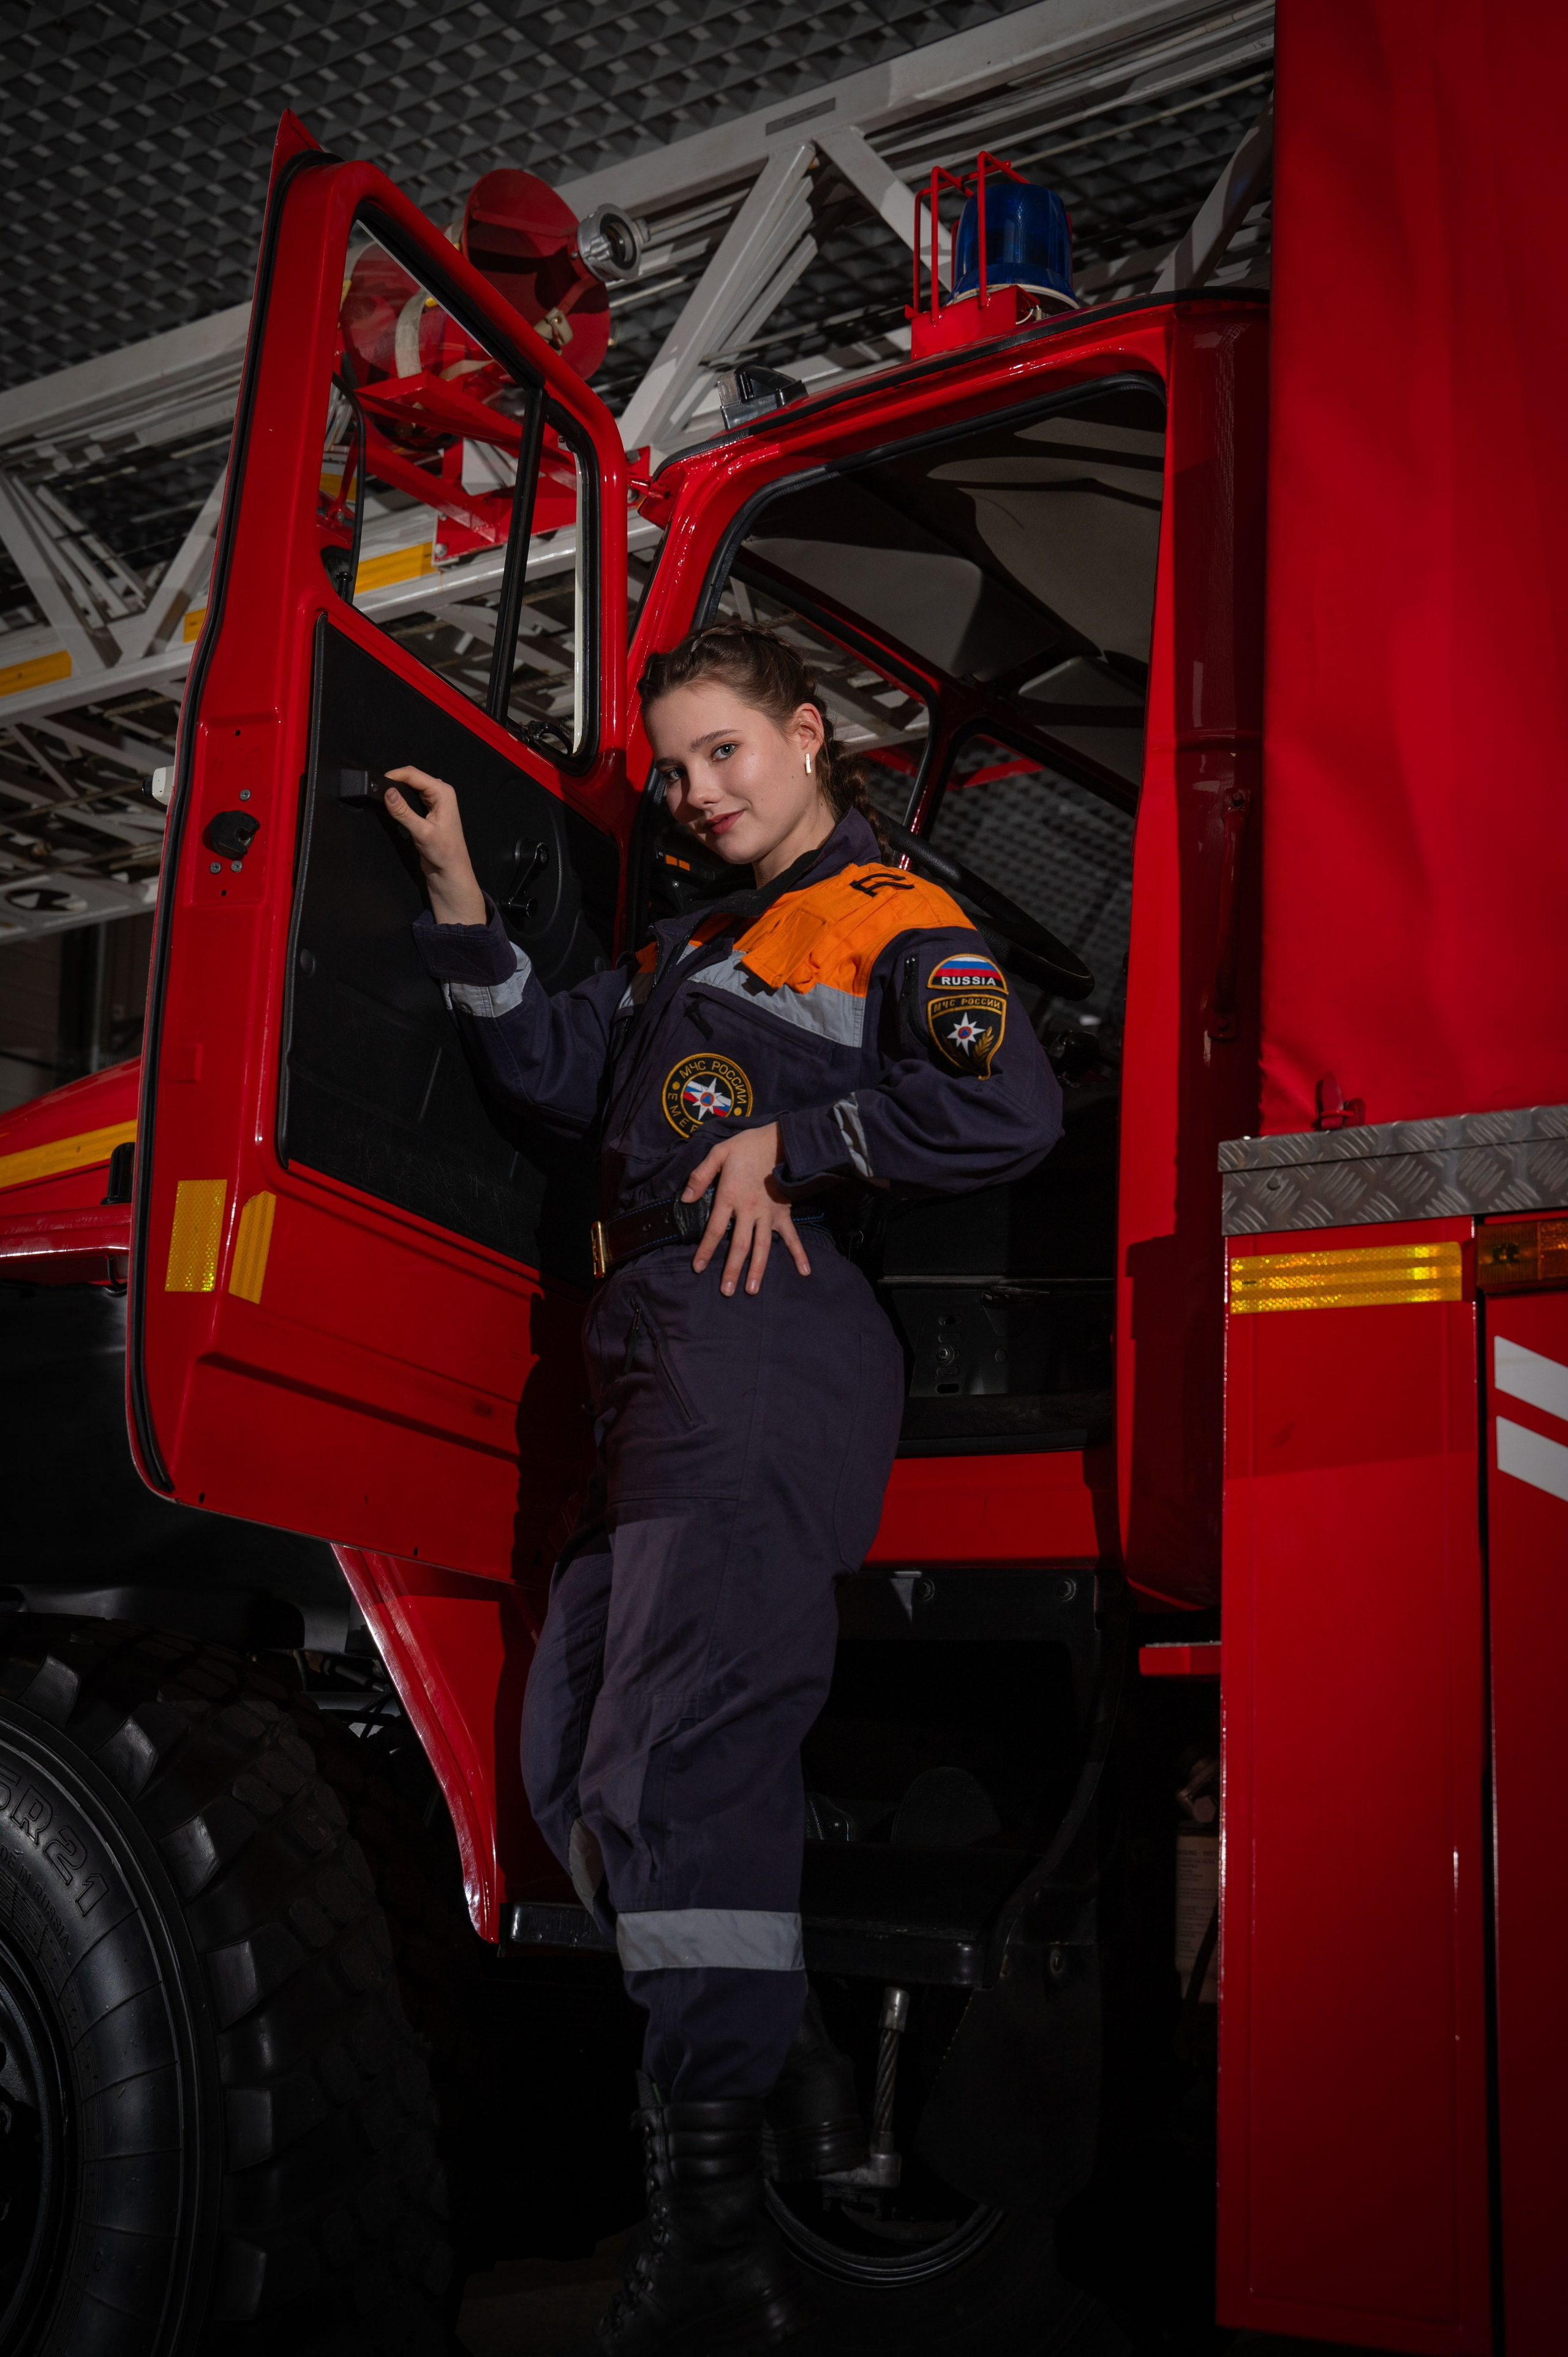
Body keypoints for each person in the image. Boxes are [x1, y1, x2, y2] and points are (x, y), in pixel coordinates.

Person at [385, 620, 1063, 2355]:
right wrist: (457, 890)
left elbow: (1009, 1107)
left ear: (809, 735)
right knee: (574, 1761)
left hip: (760, 1340)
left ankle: (712, 2256)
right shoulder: (695, 943)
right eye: (676, 769)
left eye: (724, 752)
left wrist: (804, 1139)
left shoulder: (888, 916)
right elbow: (552, 1073)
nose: (696, 792)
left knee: (673, 1760)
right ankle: (800, 2073)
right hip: (649, 1357)